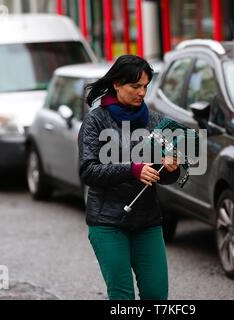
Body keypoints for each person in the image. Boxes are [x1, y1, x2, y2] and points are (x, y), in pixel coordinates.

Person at [78, 55, 180, 300]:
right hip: (107, 222)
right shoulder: (96, 120)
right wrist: (132, 169)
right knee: (123, 296)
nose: (142, 92)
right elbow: (88, 171)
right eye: (135, 87)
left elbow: (164, 177)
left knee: (156, 294)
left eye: (145, 86)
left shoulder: (155, 121)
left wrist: (171, 168)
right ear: (117, 84)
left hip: (147, 221)